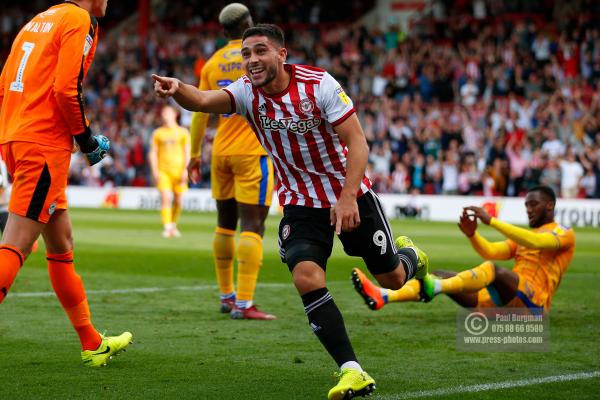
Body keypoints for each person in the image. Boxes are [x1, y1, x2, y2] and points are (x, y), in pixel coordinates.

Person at [152, 23, 429, 400]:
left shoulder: (320, 85)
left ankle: (410, 255)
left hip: (348, 195)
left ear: (282, 55)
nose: (252, 59)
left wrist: (347, 197)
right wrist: (176, 89)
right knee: (306, 276)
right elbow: (202, 101)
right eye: (247, 53)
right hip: (300, 203)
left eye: (261, 51)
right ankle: (352, 370)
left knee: (394, 279)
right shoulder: (246, 92)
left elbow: (358, 142)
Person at [0, 0, 131, 366]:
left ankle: (92, 342)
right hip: (43, 144)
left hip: (18, 136)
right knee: (15, 245)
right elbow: (65, 88)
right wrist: (86, 140)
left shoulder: (37, 20)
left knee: (61, 243)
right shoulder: (79, 18)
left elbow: (4, 84)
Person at [353, 186, 575, 315]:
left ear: (549, 205)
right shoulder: (524, 239)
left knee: (492, 270)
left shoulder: (563, 233)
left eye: (533, 204)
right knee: (440, 274)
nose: (528, 210)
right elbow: (490, 250)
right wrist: (473, 235)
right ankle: (385, 295)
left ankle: (436, 287)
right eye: (526, 205)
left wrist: (492, 222)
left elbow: (538, 243)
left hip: (535, 306)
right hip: (506, 303)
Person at [188, 3, 275, 320]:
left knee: (224, 224)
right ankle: (245, 303)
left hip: (221, 150)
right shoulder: (257, 57)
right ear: (250, 24)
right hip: (253, 151)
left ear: (223, 31)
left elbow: (200, 111)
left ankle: (227, 296)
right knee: (253, 225)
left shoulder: (211, 64)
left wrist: (195, 154)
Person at [149, 105, 191, 238]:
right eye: (163, 113)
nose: (164, 115)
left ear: (174, 114)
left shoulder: (183, 132)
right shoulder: (158, 133)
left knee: (178, 200)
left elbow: (187, 152)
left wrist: (186, 170)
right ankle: (167, 227)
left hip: (179, 171)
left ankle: (173, 224)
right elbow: (153, 153)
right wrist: (155, 170)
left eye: (167, 112)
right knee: (166, 198)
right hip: (163, 171)